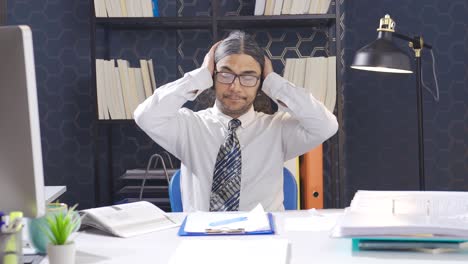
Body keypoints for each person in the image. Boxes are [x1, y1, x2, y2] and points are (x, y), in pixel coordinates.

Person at [134, 31, 338, 212]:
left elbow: (326, 125)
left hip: (263, 241)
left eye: (249, 77)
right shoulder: (189, 126)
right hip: (202, 240)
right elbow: (145, 116)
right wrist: (199, 77)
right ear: (212, 76)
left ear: (260, 83)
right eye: (226, 75)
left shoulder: (278, 129)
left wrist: (274, 83)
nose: (235, 87)